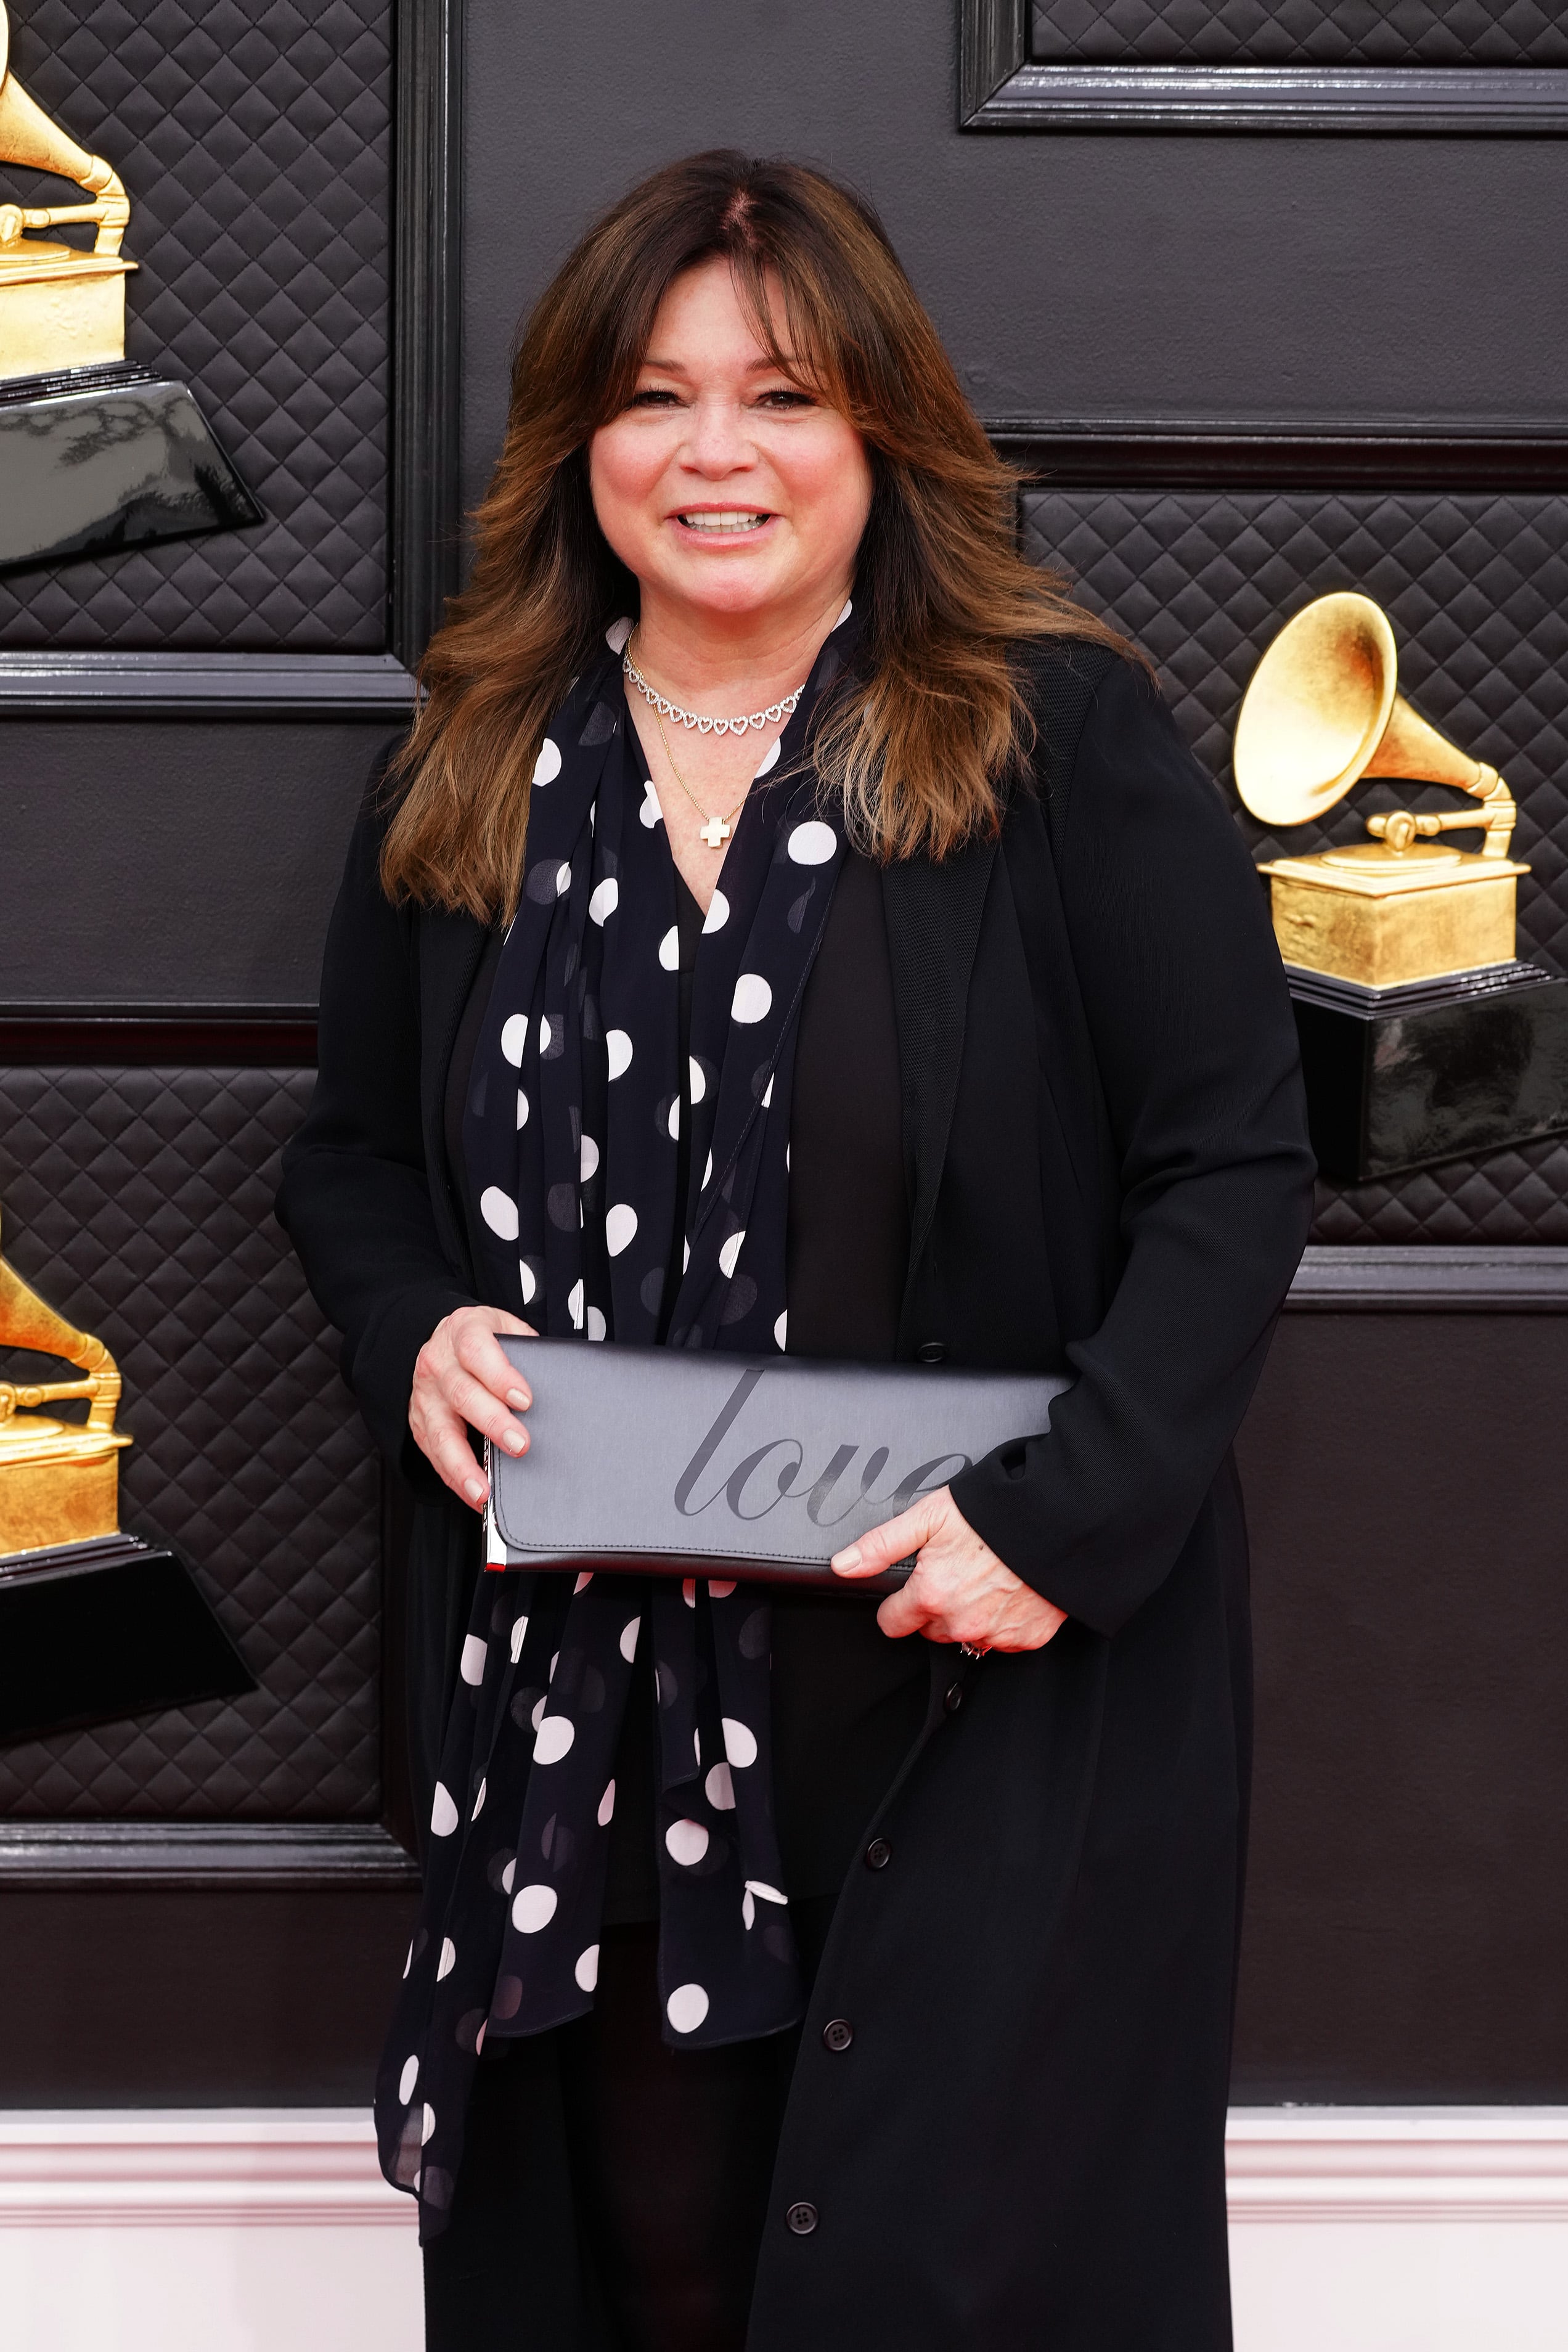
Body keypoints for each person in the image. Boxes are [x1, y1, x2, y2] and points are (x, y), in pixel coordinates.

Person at [277, 150, 1314, 2352]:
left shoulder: (1054, 738)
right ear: (580, 446)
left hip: (979, 1661)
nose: (716, 454)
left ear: (882, 442)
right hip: (597, 1702)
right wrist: (413, 1332)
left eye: (789, 399)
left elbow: (1233, 1165)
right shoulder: (466, 770)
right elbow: (352, 1163)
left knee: (957, 2283)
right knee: (650, 2267)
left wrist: (1065, 1526)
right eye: (657, 400)